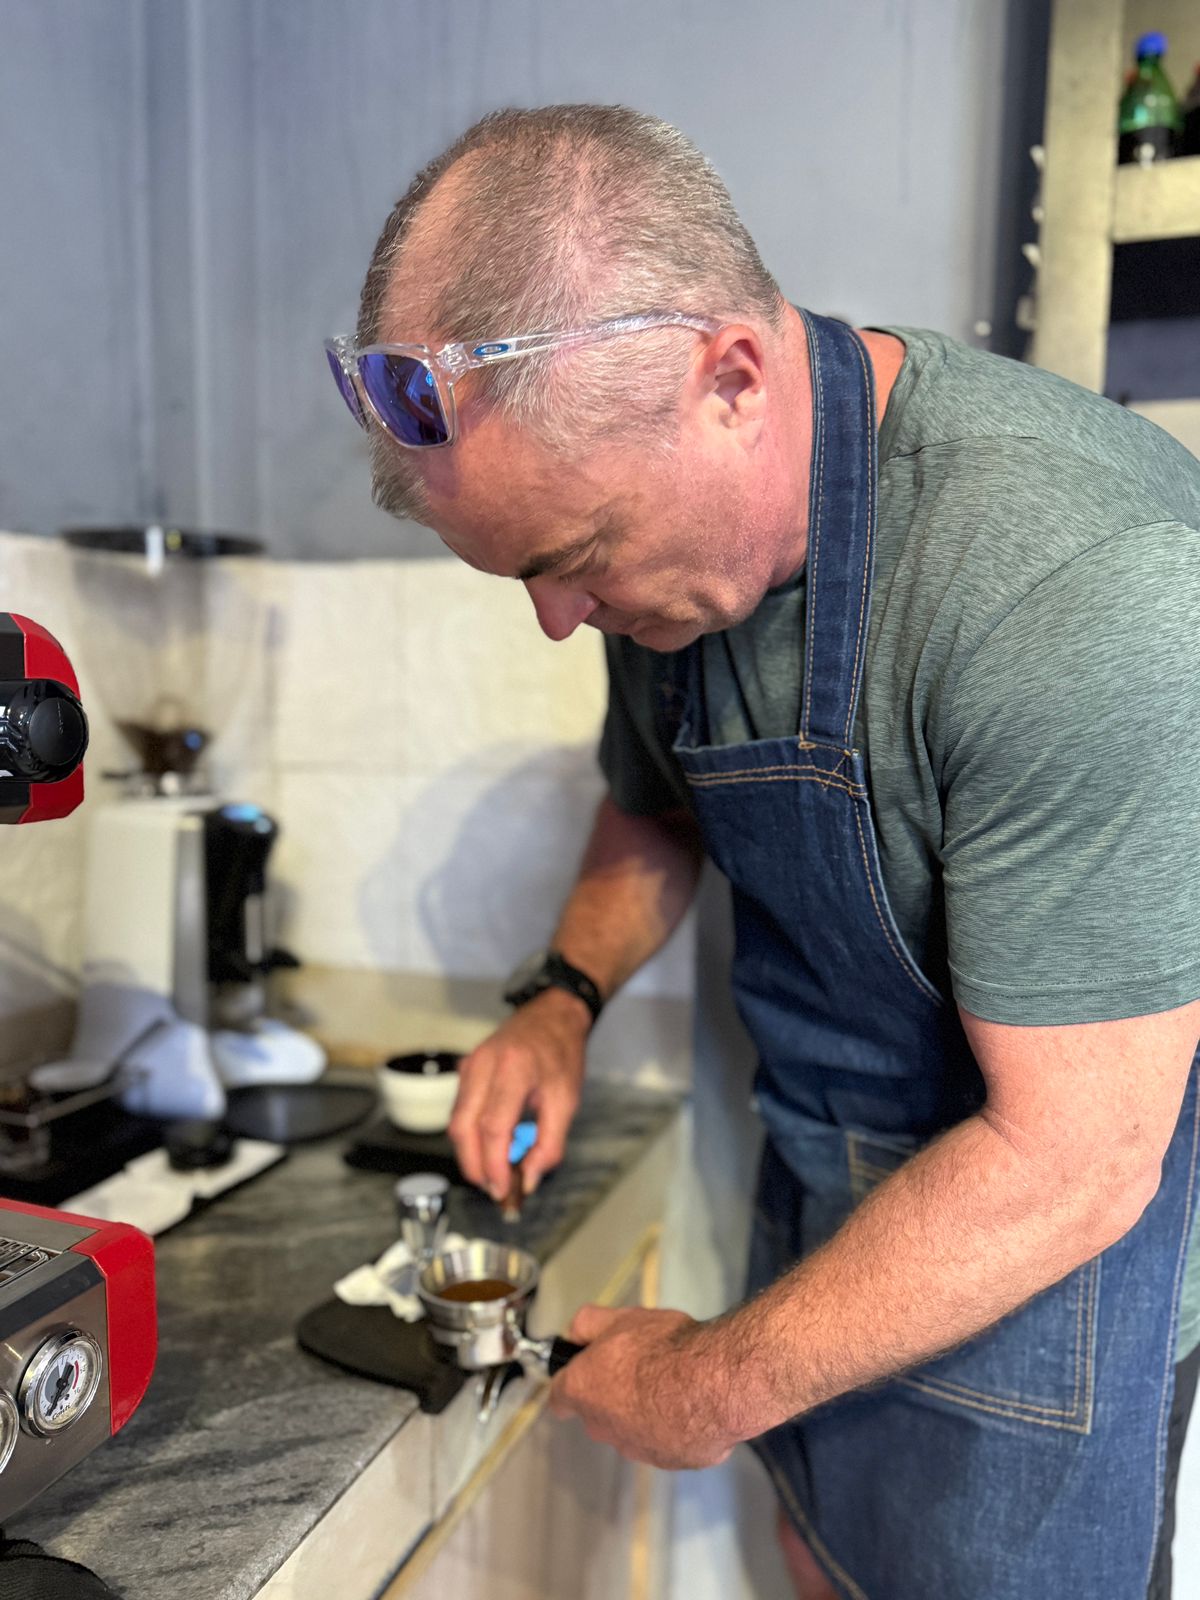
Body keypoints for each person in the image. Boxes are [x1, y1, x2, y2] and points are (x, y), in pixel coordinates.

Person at [327, 104, 1200, 1600]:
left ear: (729, 377)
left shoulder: (1079, 587)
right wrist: (563, 995)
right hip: (819, 1240)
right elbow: (660, 803)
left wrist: (709, 1385)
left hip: (1042, 1299)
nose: (555, 617)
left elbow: (1076, 1161)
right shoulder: (659, 567)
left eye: (571, 559)